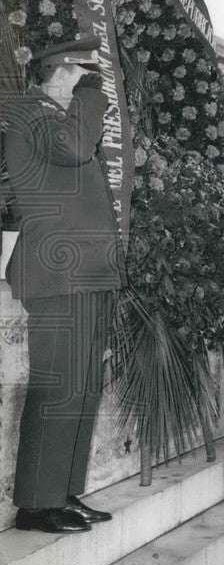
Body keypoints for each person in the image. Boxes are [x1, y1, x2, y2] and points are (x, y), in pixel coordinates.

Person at [3, 36, 120, 533]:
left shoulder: (59, 118)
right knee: (59, 388)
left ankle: (64, 492)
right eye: (80, 75)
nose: (85, 85)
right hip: (56, 274)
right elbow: (74, 149)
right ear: (58, 73)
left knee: (82, 388)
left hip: (84, 272)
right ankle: (35, 502)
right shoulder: (31, 114)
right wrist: (93, 99)